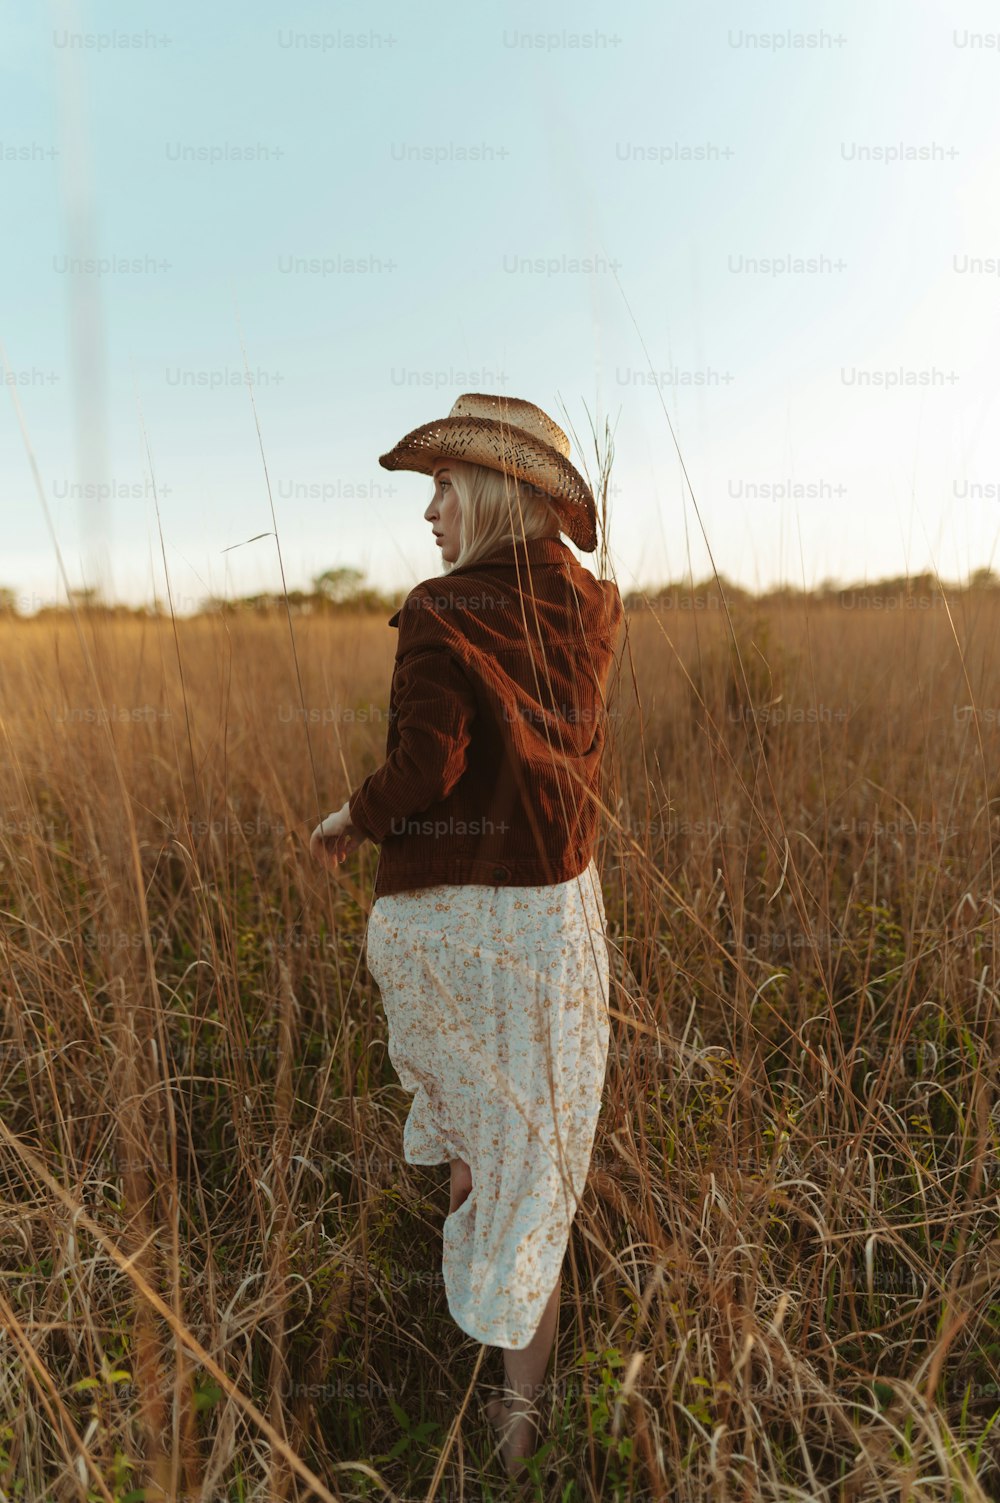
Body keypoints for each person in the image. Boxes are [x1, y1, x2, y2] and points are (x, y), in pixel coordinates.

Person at [309, 391, 624, 1481]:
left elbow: (426, 768)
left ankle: (477, 1371)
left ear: (496, 493)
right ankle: (516, 1414)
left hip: (461, 924)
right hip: (560, 920)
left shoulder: (441, 611)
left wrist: (352, 816)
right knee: (536, 1161)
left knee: (479, 1159)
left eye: (445, 486)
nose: (430, 511)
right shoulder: (592, 606)